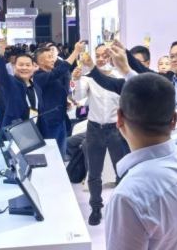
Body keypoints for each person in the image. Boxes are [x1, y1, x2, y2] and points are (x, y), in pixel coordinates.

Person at [95, 41, 177, 198]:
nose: (174, 59)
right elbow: (142, 71)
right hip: (163, 144)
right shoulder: (164, 80)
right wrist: (125, 52)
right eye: (171, 56)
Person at [105, 73, 177, 250]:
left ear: (119, 118)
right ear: (173, 120)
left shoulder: (128, 196)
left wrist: (127, 71)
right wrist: (128, 71)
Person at [72, 44, 129, 226]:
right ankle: (95, 208)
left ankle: (122, 207)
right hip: (94, 129)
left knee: (122, 171)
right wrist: (77, 79)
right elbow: (79, 97)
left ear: (111, 56)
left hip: (116, 129)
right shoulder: (89, 77)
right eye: (98, 55)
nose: (101, 58)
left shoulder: (120, 77)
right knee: (94, 172)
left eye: (105, 55)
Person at [33, 42, 85, 156]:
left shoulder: (49, 74)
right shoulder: (38, 76)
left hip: (60, 117)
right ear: (40, 61)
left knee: (60, 150)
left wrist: (66, 100)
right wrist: (76, 51)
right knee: (54, 153)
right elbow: (59, 71)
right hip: (50, 121)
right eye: (49, 57)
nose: (53, 60)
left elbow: (59, 91)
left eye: (53, 56)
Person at [1, 52, 40, 127]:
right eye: (21, 65)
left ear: (33, 67)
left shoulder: (36, 88)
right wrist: (1, 54)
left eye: (28, 65)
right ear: (14, 67)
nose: (24, 68)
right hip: (14, 130)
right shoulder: (10, 83)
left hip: (34, 130)